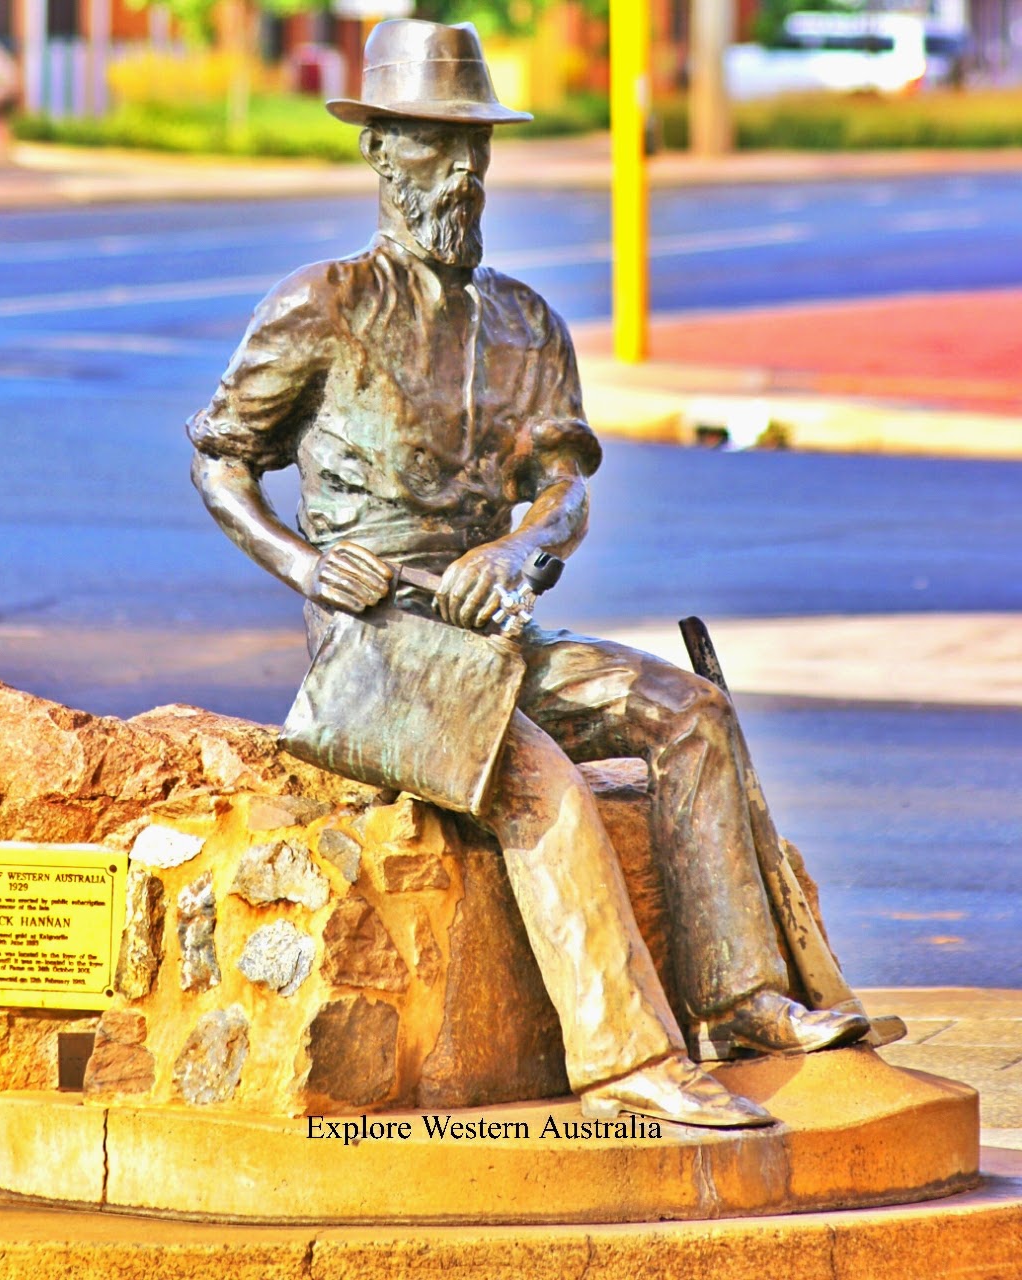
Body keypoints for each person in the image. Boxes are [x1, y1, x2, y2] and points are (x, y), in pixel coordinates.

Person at [187, 19, 868, 1128]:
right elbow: (219, 459)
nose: (459, 171)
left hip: (494, 644)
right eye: (428, 145)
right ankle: (623, 1061)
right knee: (538, 779)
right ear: (377, 151)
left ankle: (741, 1000)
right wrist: (306, 567)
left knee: (685, 711)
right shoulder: (320, 307)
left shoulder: (523, 323)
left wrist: (518, 547)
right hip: (376, 658)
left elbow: (568, 487)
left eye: (473, 148)